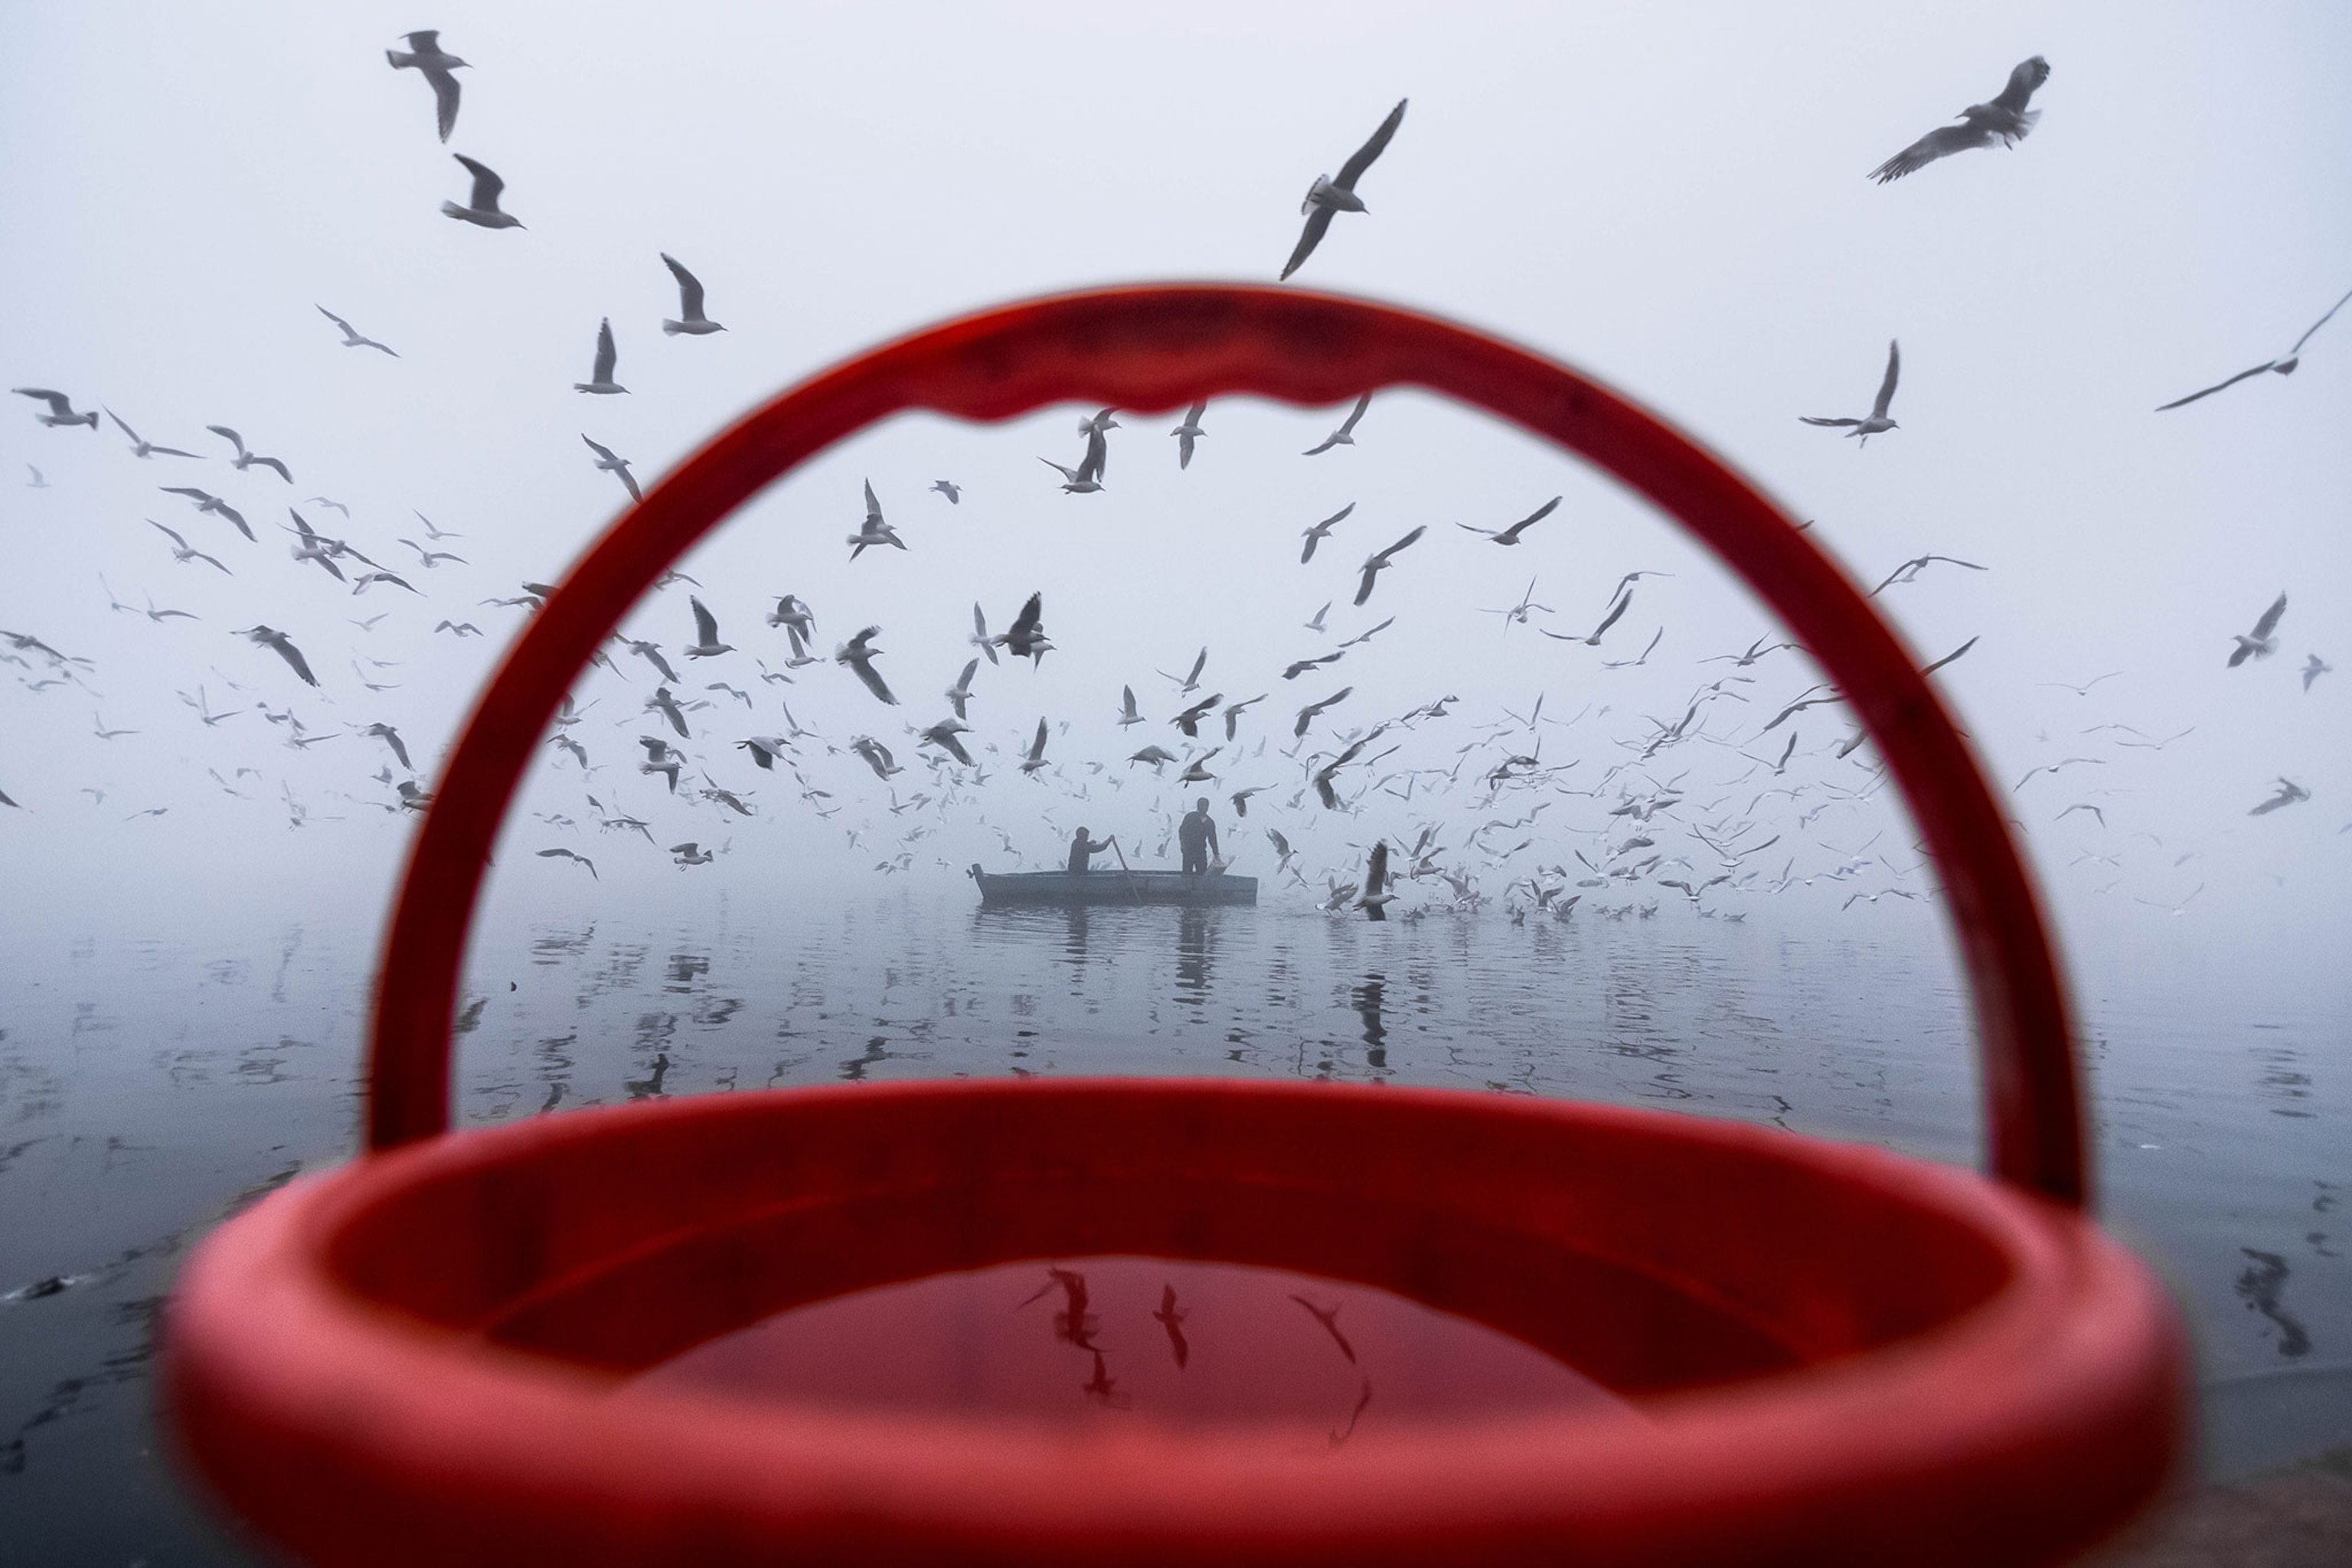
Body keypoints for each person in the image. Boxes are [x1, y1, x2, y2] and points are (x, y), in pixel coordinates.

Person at [1178, 797, 1220, 875]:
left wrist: (1216, 854)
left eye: (1206, 806)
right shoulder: (1190, 817)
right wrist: (1183, 846)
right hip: (1188, 851)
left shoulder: (1209, 822)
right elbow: (1182, 832)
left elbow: (1212, 839)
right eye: (1202, 805)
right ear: (1198, 806)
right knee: (1187, 874)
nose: (1204, 807)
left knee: (1202, 874)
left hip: (1201, 852)